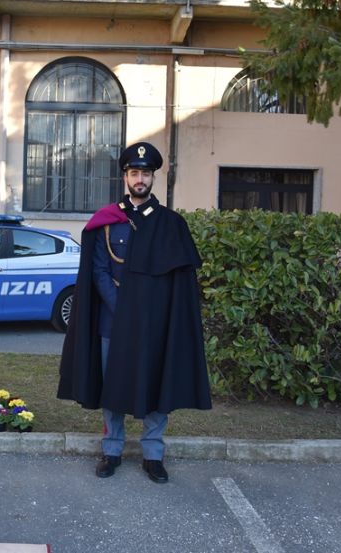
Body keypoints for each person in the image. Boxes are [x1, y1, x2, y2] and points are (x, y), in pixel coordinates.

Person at [57, 141, 211, 483]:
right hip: (113, 323)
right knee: (113, 385)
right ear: (125, 177)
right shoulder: (107, 221)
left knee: (157, 385)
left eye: (146, 173)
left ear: (153, 177)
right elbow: (98, 271)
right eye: (134, 173)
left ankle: (153, 454)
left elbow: (177, 283)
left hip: (156, 324)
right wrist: (124, 308)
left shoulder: (171, 224)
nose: (140, 179)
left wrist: (146, 312)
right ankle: (111, 450)